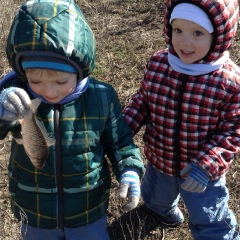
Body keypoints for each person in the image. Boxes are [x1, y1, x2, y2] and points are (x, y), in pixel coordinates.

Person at [0, 1, 144, 239]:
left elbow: (119, 142)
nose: (49, 91)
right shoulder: (18, 95)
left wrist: (129, 169)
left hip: (88, 209)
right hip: (34, 207)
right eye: (35, 81)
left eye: (60, 82)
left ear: (80, 69)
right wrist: (4, 115)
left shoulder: (101, 96)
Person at [123, 0, 240, 239]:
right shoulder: (159, 63)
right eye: (178, 30)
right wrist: (123, 127)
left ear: (219, 35)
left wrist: (206, 165)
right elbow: (143, 101)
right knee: (155, 198)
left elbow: (232, 131)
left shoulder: (229, 81)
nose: (184, 42)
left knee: (209, 217)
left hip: (200, 173)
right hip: (160, 158)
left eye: (197, 33)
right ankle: (163, 212)